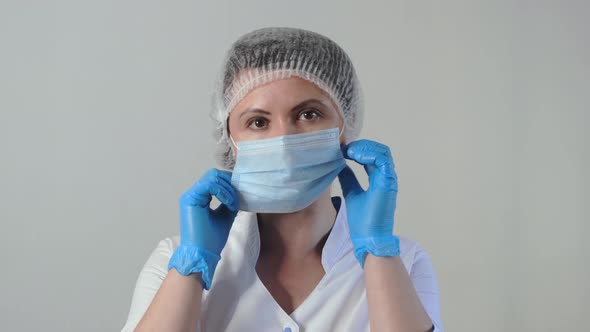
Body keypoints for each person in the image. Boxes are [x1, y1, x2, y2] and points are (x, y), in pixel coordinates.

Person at [122, 27, 443, 332]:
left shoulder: (405, 263)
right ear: (230, 140)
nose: (285, 138)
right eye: (258, 122)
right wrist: (192, 267)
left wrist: (378, 254)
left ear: (344, 125)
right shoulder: (172, 260)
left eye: (308, 114)